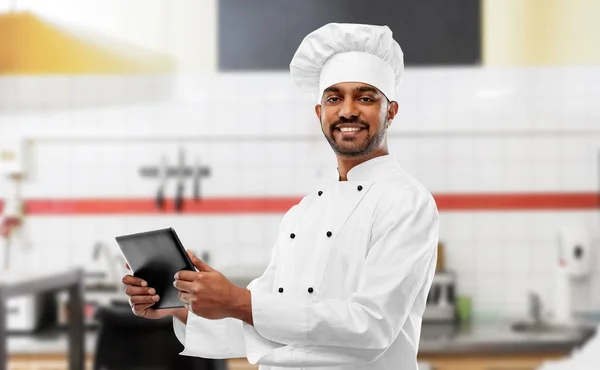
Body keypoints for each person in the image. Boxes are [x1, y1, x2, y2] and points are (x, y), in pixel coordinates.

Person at [122, 22, 439, 370]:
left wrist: (237, 300)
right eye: (334, 98)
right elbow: (265, 325)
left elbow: (371, 327)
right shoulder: (302, 213)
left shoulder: (407, 201)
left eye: (365, 97)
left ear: (390, 111)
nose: (347, 110)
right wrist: (182, 306)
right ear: (320, 114)